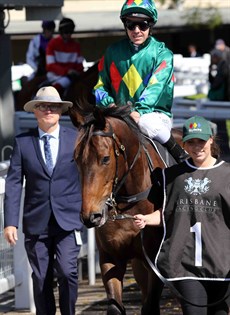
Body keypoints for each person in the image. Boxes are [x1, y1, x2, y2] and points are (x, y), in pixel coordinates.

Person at [134, 115, 230, 315]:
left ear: (211, 140)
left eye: (201, 141)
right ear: (184, 145)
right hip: (184, 264)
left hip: (222, 263)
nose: (197, 147)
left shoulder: (227, 174)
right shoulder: (172, 176)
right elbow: (167, 213)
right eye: (191, 142)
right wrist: (147, 219)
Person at [4, 86, 83, 315]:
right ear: (35, 111)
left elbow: (90, 176)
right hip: (36, 222)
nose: (48, 110)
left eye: (53, 106)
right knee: (40, 278)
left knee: (67, 273)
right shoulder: (23, 142)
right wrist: (10, 223)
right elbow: (14, 183)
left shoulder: (76, 139)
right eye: (43, 106)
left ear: (60, 111)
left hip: (68, 220)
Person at [93, 0, 188, 163]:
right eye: (131, 25)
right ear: (125, 25)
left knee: (146, 123)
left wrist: (139, 112)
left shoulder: (162, 54)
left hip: (153, 115)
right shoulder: (112, 51)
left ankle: (180, 156)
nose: (136, 31)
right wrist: (109, 105)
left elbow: (155, 87)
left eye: (142, 25)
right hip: (118, 114)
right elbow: (100, 85)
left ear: (151, 26)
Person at [46, 17, 84, 96]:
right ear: (61, 32)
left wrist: (77, 72)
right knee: (65, 81)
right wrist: (67, 71)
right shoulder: (52, 44)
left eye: (70, 32)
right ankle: (50, 98)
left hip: (73, 77)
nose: (68, 34)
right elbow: (50, 65)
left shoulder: (76, 45)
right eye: (66, 32)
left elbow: (80, 65)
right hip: (55, 75)